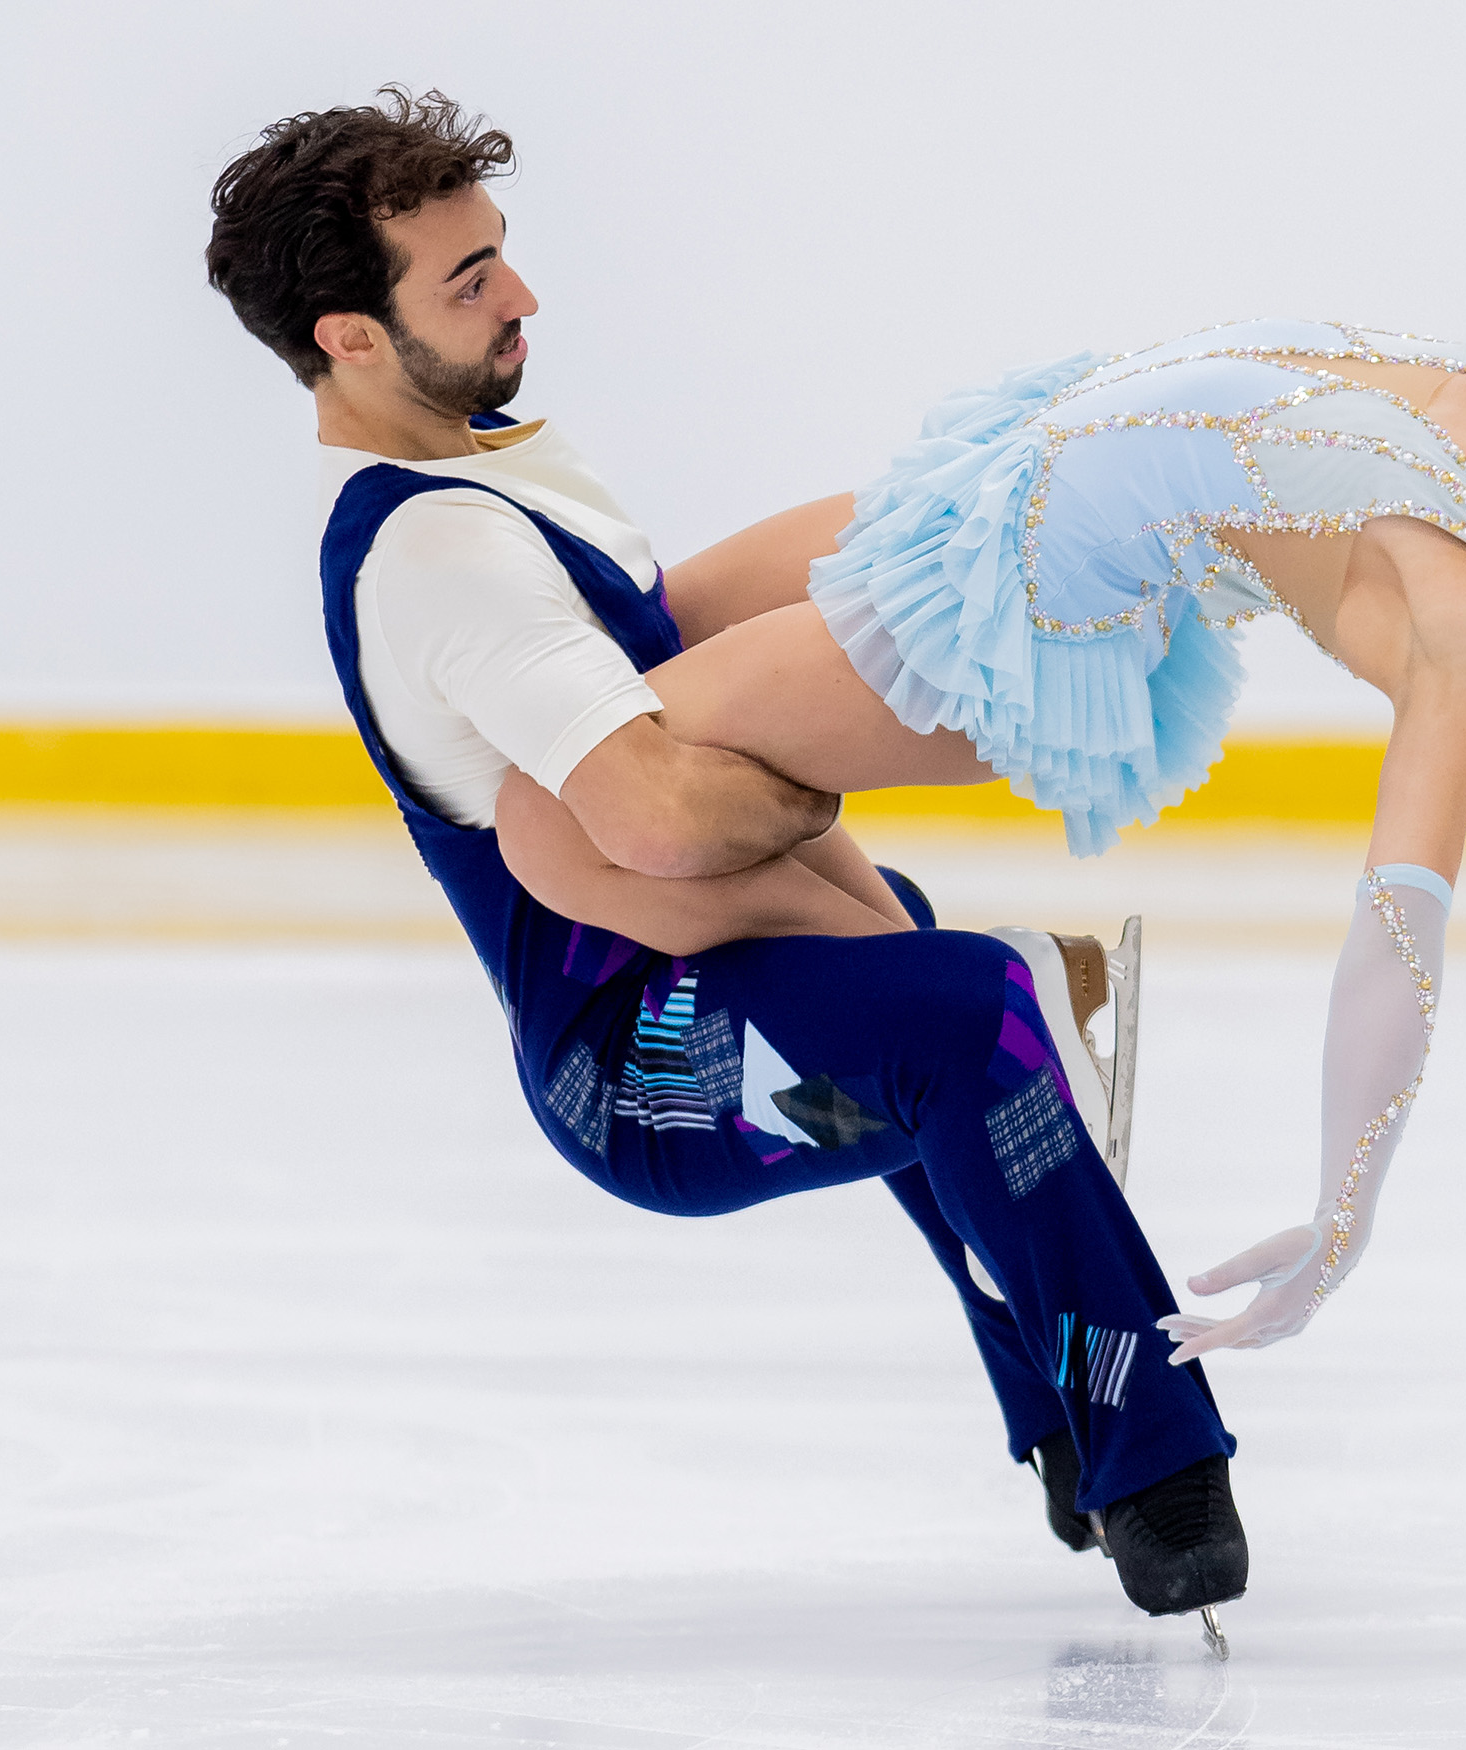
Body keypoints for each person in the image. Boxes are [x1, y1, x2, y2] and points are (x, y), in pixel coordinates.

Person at [490, 288, 1466, 1368]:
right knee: (627, 644)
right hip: (1006, 472)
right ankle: (980, 989)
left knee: (558, 824)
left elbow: (1399, 934)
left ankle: (979, 1018)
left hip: (1015, 600)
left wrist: (1342, 1210)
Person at [203, 90, 1249, 1649]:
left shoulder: (494, 481)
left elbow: (677, 644)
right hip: (641, 1071)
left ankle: (1067, 1427)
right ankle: (1160, 1473)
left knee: (915, 976)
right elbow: (661, 820)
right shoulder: (439, 554)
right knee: (964, 1016)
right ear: (350, 337)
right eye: (468, 281)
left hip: (703, 982)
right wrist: (841, 755)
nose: (521, 299)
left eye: (503, 257)